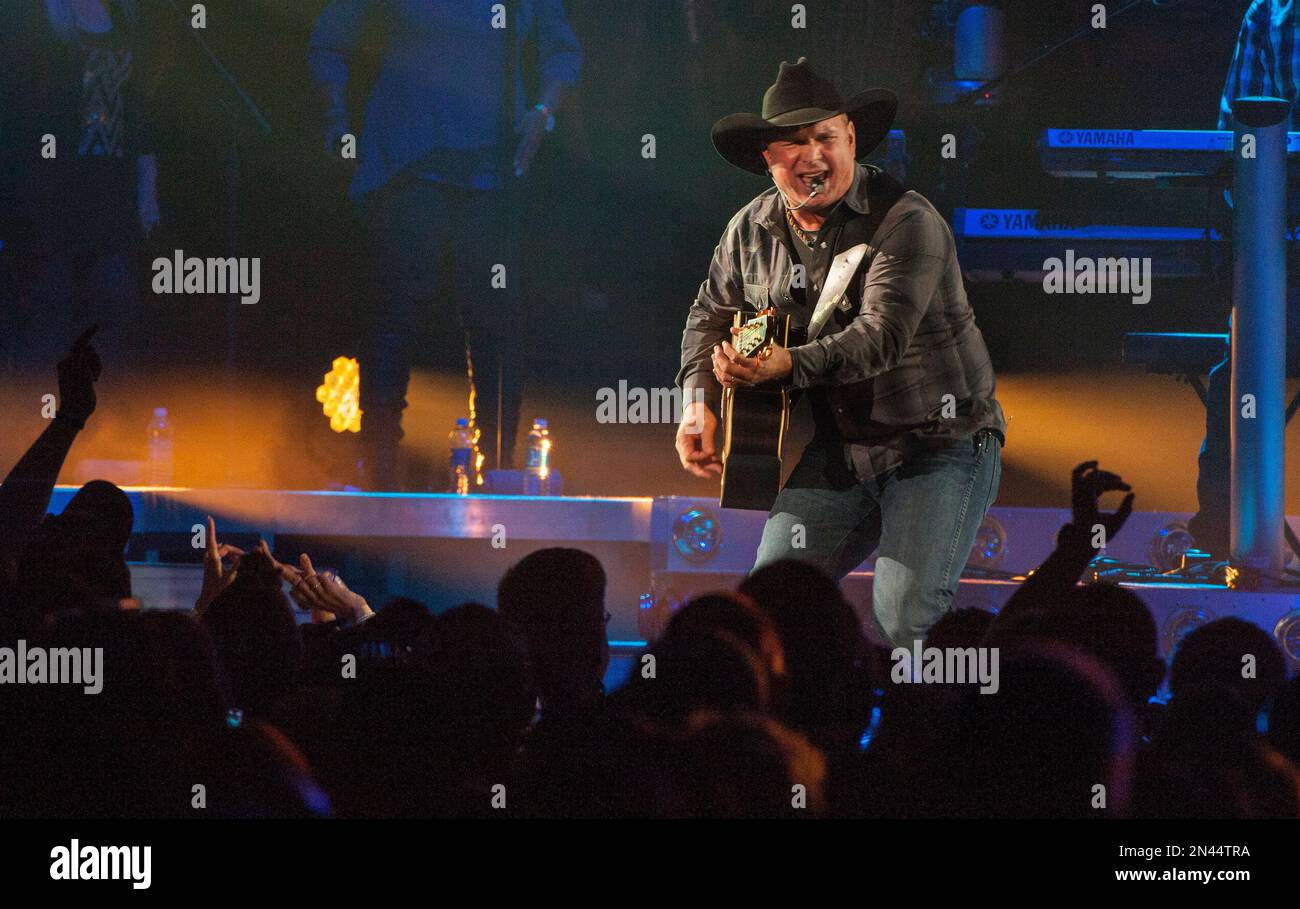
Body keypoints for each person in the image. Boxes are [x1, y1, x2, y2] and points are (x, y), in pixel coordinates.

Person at [674, 58, 1006, 648]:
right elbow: (710, 316)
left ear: (851, 137)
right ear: (766, 157)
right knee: (767, 608)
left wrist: (788, 365)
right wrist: (698, 403)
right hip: (844, 448)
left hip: (939, 443)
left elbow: (881, 338)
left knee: (905, 619)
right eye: (793, 143)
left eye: (825, 136)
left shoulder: (907, 221)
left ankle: (931, 707)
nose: (813, 156)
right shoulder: (749, 230)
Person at [308, 0, 582, 491]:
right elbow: (331, 36)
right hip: (406, 161)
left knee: (494, 320)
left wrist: (543, 112)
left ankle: (496, 470)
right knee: (394, 314)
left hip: (492, 169)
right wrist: (334, 116)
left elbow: (563, 52)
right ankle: (379, 468)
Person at [1191, 0, 1300, 558]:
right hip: (1288, 252)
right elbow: (1237, 142)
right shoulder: (1272, 12)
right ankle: (1224, 546)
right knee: (1243, 365)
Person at [0, 0, 160, 378]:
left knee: (114, 303)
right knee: (52, 304)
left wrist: (148, 188)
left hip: (113, 190)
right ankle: (40, 398)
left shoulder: (124, 16)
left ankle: (107, 400)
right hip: (54, 191)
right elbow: (24, 104)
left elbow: (138, 114)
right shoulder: (40, 18)